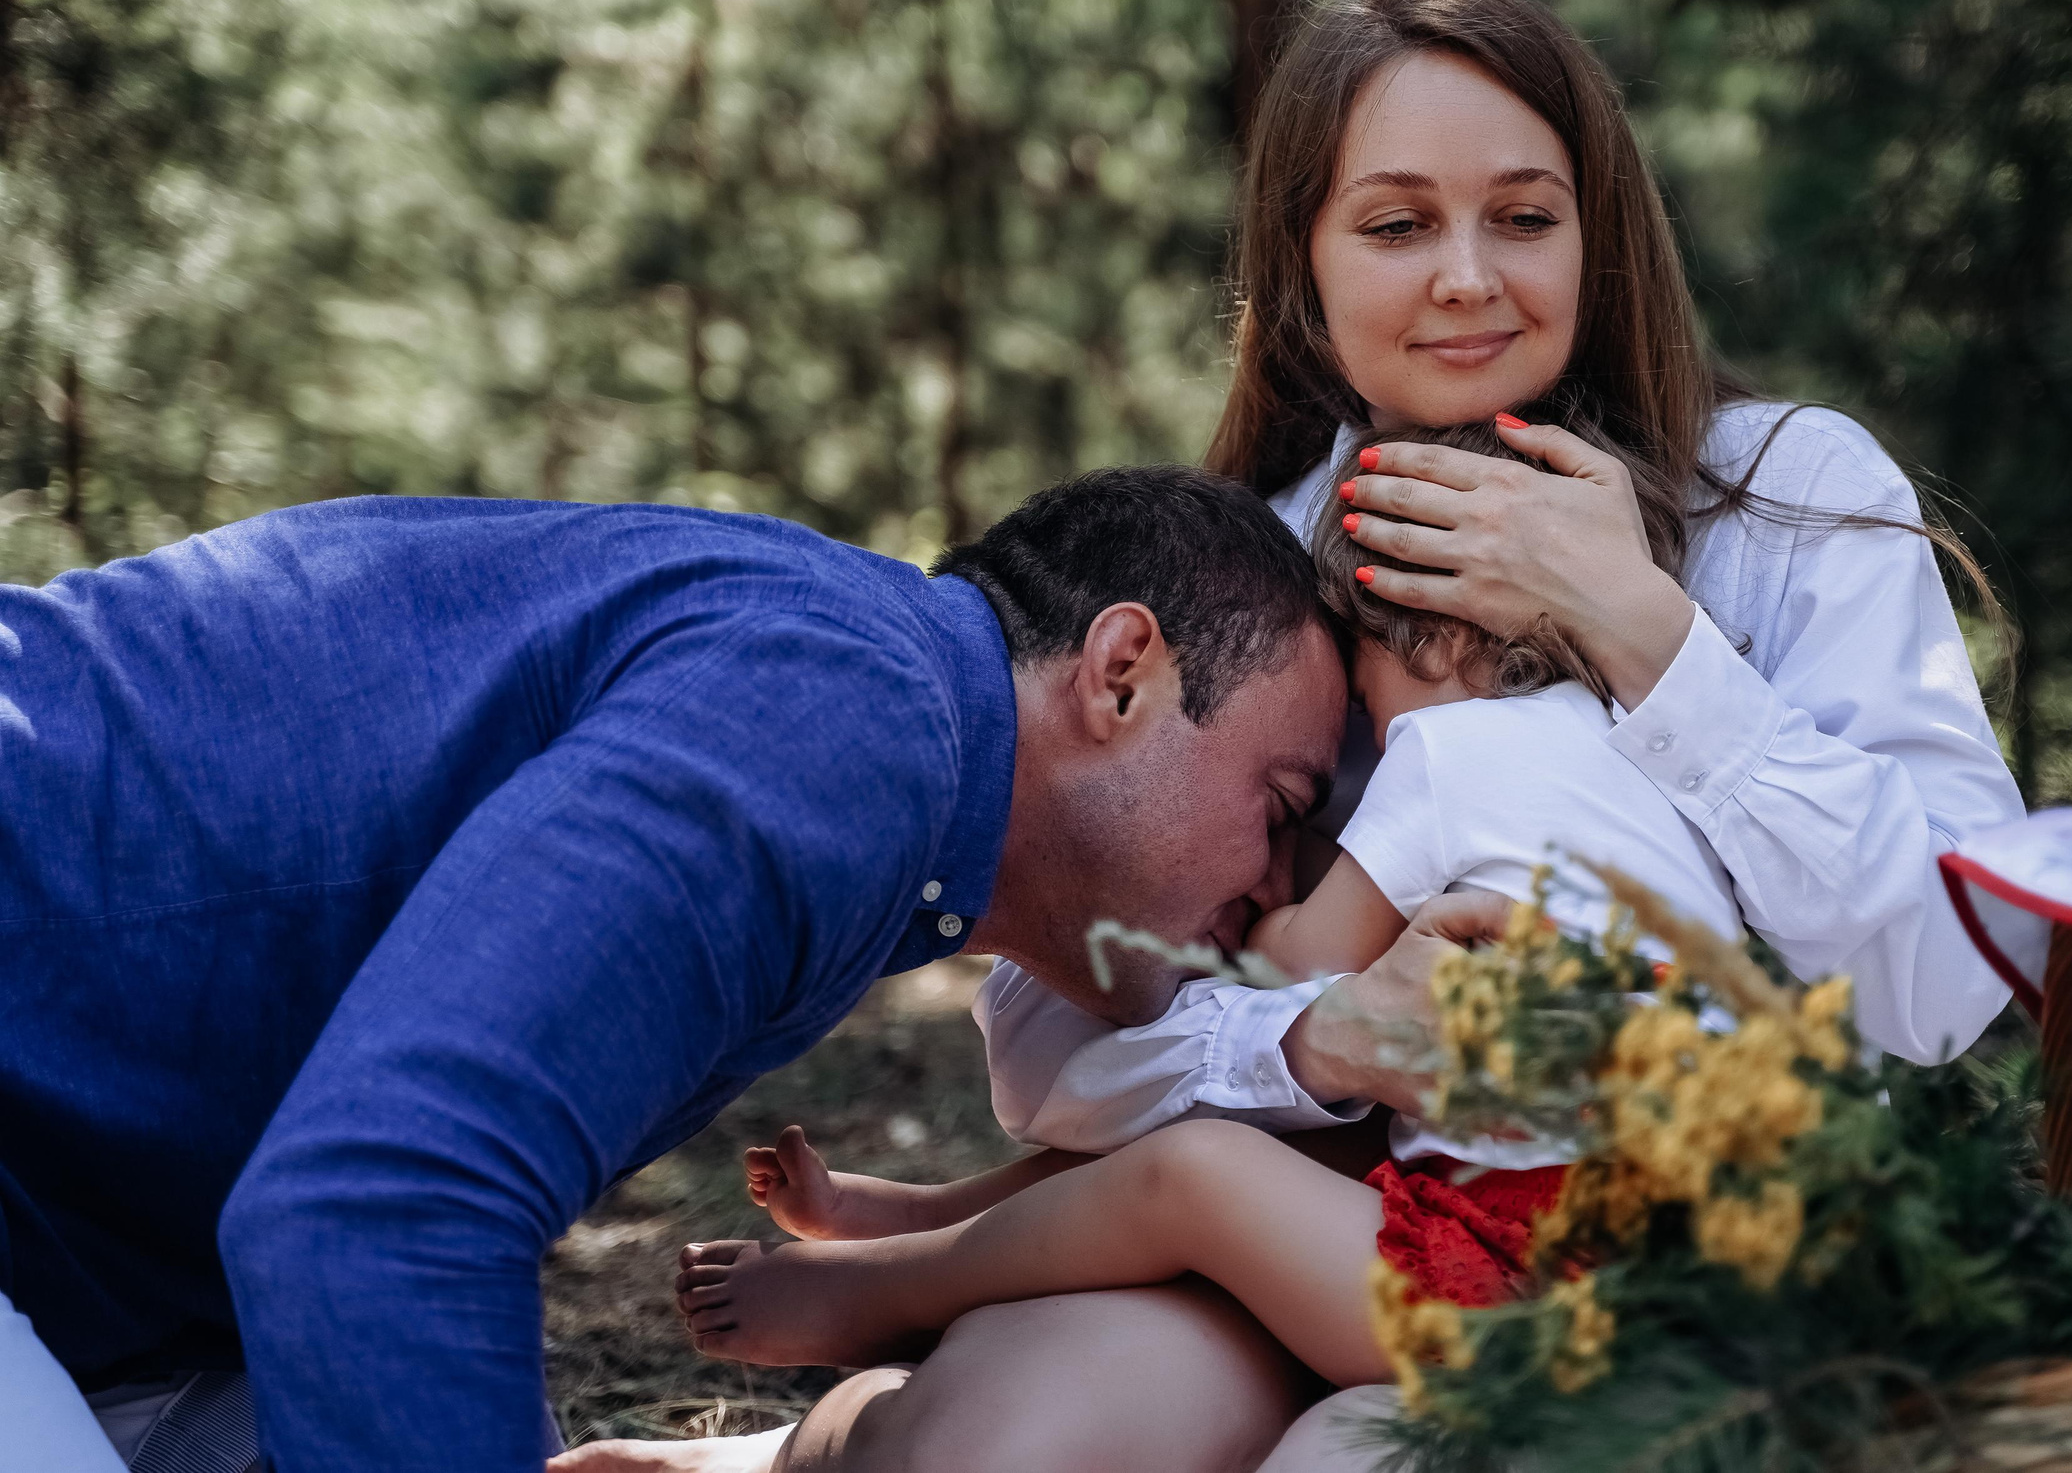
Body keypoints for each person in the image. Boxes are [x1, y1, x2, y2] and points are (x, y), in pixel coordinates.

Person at [561, 0, 2023, 1473]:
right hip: (1321, 1219)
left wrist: (1653, 639)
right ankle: (817, 1438)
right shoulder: (1255, 556)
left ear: (1599, 234)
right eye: (1396, 224)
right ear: (1304, 267)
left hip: (1695, 1274)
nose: (1468, 274)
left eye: (1524, 216)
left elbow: (1938, 987)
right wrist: (1313, 1043)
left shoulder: (1784, 492)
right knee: (995, 1449)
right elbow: (1048, 1053)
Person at [0, 467, 1349, 1473]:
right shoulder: (855, 722)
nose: (1284, 891)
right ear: (1121, 673)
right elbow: (384, 1205)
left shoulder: (871, 727)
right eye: (1284, 806)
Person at [649, 421, 1717, 1403]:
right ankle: (914, 1220)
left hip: (1505, 1285)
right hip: (1682, 1275)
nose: (1366, 738)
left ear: (1429, 638)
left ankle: (887, 1292)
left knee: (1193, 1172)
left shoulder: (1453, 749)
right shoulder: (1660, 770)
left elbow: (1295, 959)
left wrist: (1281, 902)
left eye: (1359, 680)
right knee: (1288, 1122)